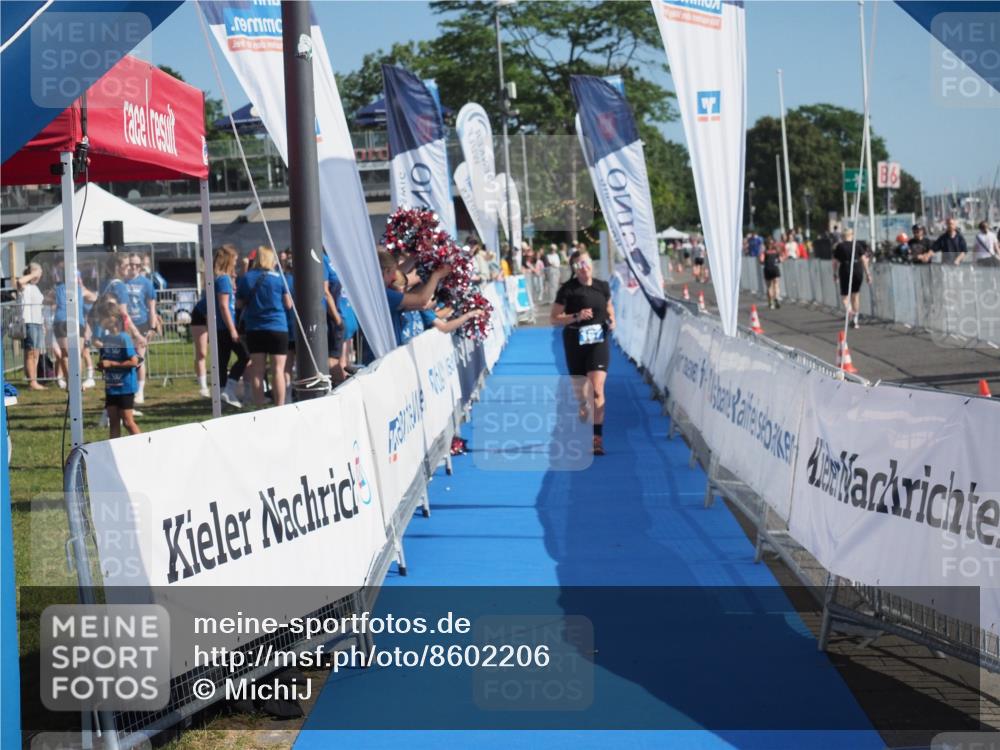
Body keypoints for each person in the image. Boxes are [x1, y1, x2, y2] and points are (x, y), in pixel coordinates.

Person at [550, 251, 615, 456]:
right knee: (582, 394)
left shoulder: (602, 286)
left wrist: (612, 321)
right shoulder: (567, 290)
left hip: (598, 343)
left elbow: (609, 309)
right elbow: (554, 318)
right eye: (579, 265)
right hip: (575, 342)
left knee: (597, 390)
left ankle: (596, 439)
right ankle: (582, 405)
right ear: (574, 269)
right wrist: (576, 316)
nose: (584, 267)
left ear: (591, 265)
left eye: (586, 262)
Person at [237, 246, 292, 407]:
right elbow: (288, 304)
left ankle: (260, 407)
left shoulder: (247, 278)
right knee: (278, 370)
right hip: (278, 327)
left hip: (255, 328)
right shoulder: (278, 278)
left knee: (258, 371)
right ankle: (280, 405)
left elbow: (239, 304)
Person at [378, 250, 452, 346]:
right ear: (385, 271)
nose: (394, 277)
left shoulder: (385, 293)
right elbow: (422, 300)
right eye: (392, 273)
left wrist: (419, 251)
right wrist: (436, 276)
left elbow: (422, 304)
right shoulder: (386, 295)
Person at [94, 298, 141, 439]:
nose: (101, 321)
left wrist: (112, 364)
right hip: (111, 387)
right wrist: (102, 366)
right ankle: (113, 454)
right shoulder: (106, 339)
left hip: (125, 387)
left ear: (113, 318)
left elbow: (134, 362)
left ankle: (146, 449)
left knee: (127, 422)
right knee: (113, 422)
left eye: (103, 318)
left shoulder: (124, 338)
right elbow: (106, 360)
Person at [52, 260, 98, 390]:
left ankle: (74, 383)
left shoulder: (78, 289)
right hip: (64, 321)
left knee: (73, 354)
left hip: (76, 322)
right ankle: (72, 383)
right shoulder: (59, 289)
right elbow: (94, 298)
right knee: (69, 354)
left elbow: (94, 297)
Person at [123, 252, 158, 405]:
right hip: (123, 325)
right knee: (125, 358)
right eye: (131, 264)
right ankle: (127, 390)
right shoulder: (119, 282)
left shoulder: (146, 283)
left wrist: (152, 327)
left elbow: (152, 308)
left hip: (141, 323)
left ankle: (140, 391)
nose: (134, 268)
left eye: (138, 265)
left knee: (139, 358)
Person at [832, 229, 873, 329]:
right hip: (857, 268)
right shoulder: (857, 245)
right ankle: (855, 318)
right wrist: (868, 273)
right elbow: (864, 259)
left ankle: (849, 311)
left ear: (843, 236)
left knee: (845, 296)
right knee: (855, 295)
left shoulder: (840, 246)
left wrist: (834, 273)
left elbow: (835, 262)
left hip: (845, 269)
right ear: (852, 235)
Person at [14, 263, 46, 390]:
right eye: (38, 273)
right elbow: (19, 282)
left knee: (36, 353)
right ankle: (32, 382)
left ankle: (34, 380)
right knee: (30, 352)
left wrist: (43, 324)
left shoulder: (35, 288)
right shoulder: (25, 286)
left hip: (38, 322)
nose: (39, 275)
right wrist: (33, 273)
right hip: (28, 322)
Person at [760, 238, 783, 309]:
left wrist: (763, 262)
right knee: (776, 284)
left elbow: (761, 260)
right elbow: (781, 260)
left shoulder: (765, 252)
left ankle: (771, 302)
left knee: (769, 286)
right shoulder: (776, 251)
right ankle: (776, 297)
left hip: (767, 269)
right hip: (775, 268)